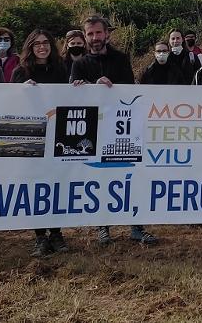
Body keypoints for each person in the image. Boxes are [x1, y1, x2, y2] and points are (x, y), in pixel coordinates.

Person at [70, 15, 158, 246]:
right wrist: (87, 89)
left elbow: (129, 91)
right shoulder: (79, 64)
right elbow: (71, 98)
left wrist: (113, 88)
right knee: (99, 178)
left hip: (121, 131)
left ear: (107, 33)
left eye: (98, 33)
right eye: (90, 34)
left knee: (129, 177)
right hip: (93, 133)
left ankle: (136, 227)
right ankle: (103, 227)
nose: (94, 38)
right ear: (85, 36)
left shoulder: (121, 58)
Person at [13, 30, 71, 256]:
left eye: (46, 42)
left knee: (56, 184)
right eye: (36, 44)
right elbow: (12, 103)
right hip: (33, 137)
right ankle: (40, 236)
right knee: (36, 186)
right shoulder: (20, 72)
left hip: (57, 136)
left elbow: (69, 99)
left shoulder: (60, 69)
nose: (42, 47)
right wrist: (21, 91)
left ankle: (56, 233)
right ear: (30, 47)